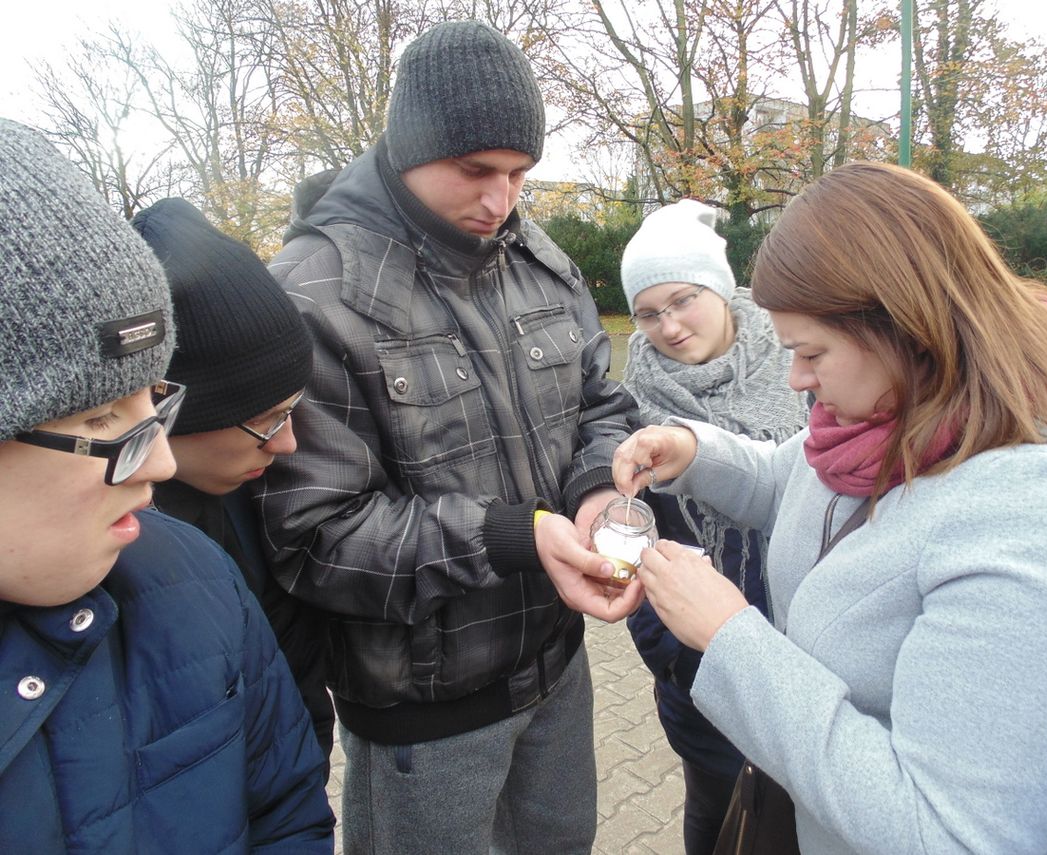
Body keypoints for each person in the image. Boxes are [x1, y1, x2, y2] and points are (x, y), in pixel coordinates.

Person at [612, 162, 1047, 854]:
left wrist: (733, 637)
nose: (796, 377)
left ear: (903, 326)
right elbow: (795, 477)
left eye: (811, 352)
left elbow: (948, 831)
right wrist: (696, 450)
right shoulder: (895, 415)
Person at [256, 21, 642, 855]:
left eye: (519, 174)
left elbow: (600, 405)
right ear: (408, 147)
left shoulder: (538, 257)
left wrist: (600, 490)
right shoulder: (316, 295)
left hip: (558, 668)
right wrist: (515, 536)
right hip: (424, 713)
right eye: (476, 171)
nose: (500, 201)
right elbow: (316, 538)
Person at [0, 119, 335, 852]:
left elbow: (286, 808)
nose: (155, 465)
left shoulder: (188, 575)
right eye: (101, 416)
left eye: (154, 404)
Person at [619, 199, 807, 855]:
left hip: (806, 647)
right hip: (701, 668)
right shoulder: (632, 402)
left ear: (720, 287)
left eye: (683, 300)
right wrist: (674, 655)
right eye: (647, 313)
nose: (667, 327)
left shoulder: (802, 361)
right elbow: (636, 535)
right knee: (717, 810)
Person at [130, 197, 335, 766]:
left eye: (292, 410)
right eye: (265, 422)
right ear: (171, 414)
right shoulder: (110, 554)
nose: (288, 444)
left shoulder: (252, 495)